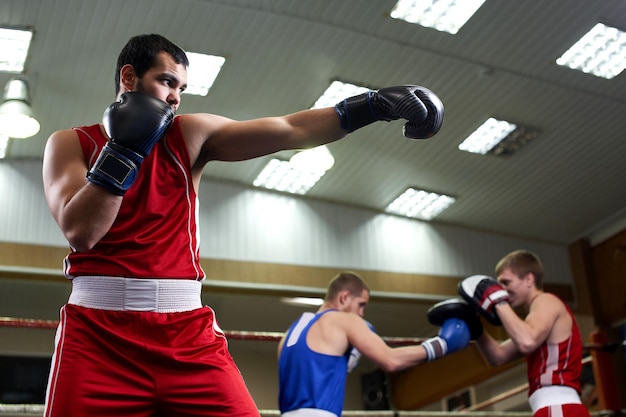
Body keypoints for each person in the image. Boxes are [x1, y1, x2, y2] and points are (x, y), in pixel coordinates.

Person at [41, 33, 444, 417]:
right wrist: (124, 150)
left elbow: (290, 129)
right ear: (129, 77)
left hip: (185, 333)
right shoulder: (71, 143)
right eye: (166, 82)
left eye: (182, 88)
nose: (175, 98)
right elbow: (82, 233)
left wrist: (371, 106)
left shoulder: (189, 134)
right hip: (98, 336)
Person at [277, 272, 474, 417]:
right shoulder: (343, 320)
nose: (361, 314)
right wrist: (442, 345)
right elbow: (391, 361)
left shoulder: (290, 333)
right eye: (361, 304)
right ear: (344, 297)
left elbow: (316, 375)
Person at [458, 250, 591, 417]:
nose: (503, 290)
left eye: (506, 282)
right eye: (499, 286)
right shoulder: (534, 324)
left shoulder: (546, 301)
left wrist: (498, 302)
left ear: (529, 279)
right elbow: (497, 356)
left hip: (558, 407)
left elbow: (527, 342)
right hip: (554, 408)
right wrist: (475, 327)